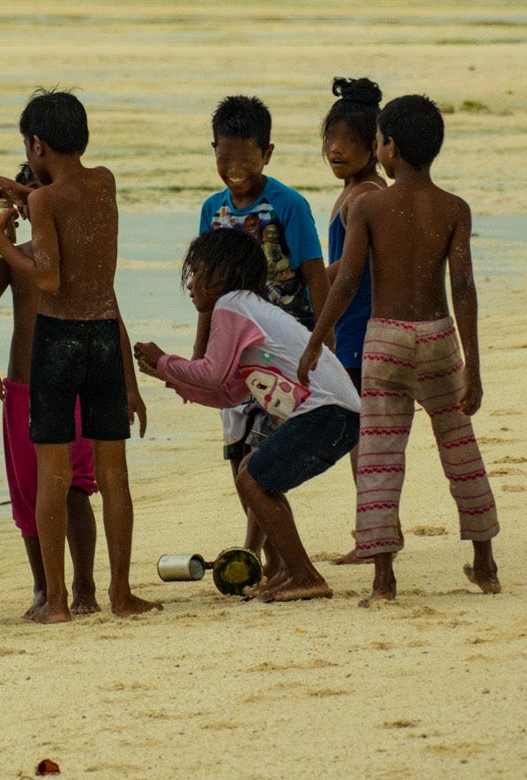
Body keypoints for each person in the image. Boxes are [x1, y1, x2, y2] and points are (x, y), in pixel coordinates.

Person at [299, 93, 501, 606]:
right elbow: (464, 289)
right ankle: (485, 562)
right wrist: (473, 367)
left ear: (387, 147)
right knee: (461, 451)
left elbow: (345, 284)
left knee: (379, 459)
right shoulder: (455, 208)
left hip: (384, 339)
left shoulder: (368, 205)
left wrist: (315, 341)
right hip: (437, 336)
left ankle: (383, 579)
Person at [0, 89, 158, 623]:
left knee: (53, 474)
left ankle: (56, 601)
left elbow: (49, 275)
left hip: (59, 340)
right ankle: (120, 595)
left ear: (37, 145)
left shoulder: (47, 204)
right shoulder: (104, 181)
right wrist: (20, 191)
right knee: (113, 474)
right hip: (102, 332)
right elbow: (67, 200)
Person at [135, 228, 361, 602]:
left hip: (326, 413)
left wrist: (165, 360)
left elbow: (210, 373)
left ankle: (305, 574)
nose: (190, 286)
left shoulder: (232, 306)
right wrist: (166, 375)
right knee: (258, 476)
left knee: (253, 479)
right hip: (341, 417)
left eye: (196, 274)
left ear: (221, 274)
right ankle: (290, 570)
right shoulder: (249, 308)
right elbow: (228, 393)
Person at [0, 164, 101, 620]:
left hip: (74, 388)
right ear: (20, 207)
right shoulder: (10, 262)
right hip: (22, 393)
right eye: (31, 196)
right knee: (28, 496)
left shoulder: (81, 255)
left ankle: (83, 584)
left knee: (75, 489)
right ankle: (43, 587)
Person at [196, 95, 328, 547]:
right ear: (213, 149)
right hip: (230, 354)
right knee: (237, 453)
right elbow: (206, 291)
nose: (234, 167)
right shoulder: (211, 211)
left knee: (261, 452)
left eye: (246, 157)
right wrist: (199, 359)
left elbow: (315, 275)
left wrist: (319, 343)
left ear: (267, 153)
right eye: (224, 155)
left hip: (280, 352)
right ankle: (266, 552)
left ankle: (253, 551)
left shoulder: (288, 205)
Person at [321, 77, 386, 566]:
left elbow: (349, 269)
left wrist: (300, 284)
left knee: (364, 438)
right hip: (349, 329)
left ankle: (375, 533)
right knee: (362, 436)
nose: (335, 149)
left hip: (360, 329)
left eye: (348, 142)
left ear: (374, 146)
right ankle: (377, 528)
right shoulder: (352, 191)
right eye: (329, 139)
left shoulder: (365, 194)